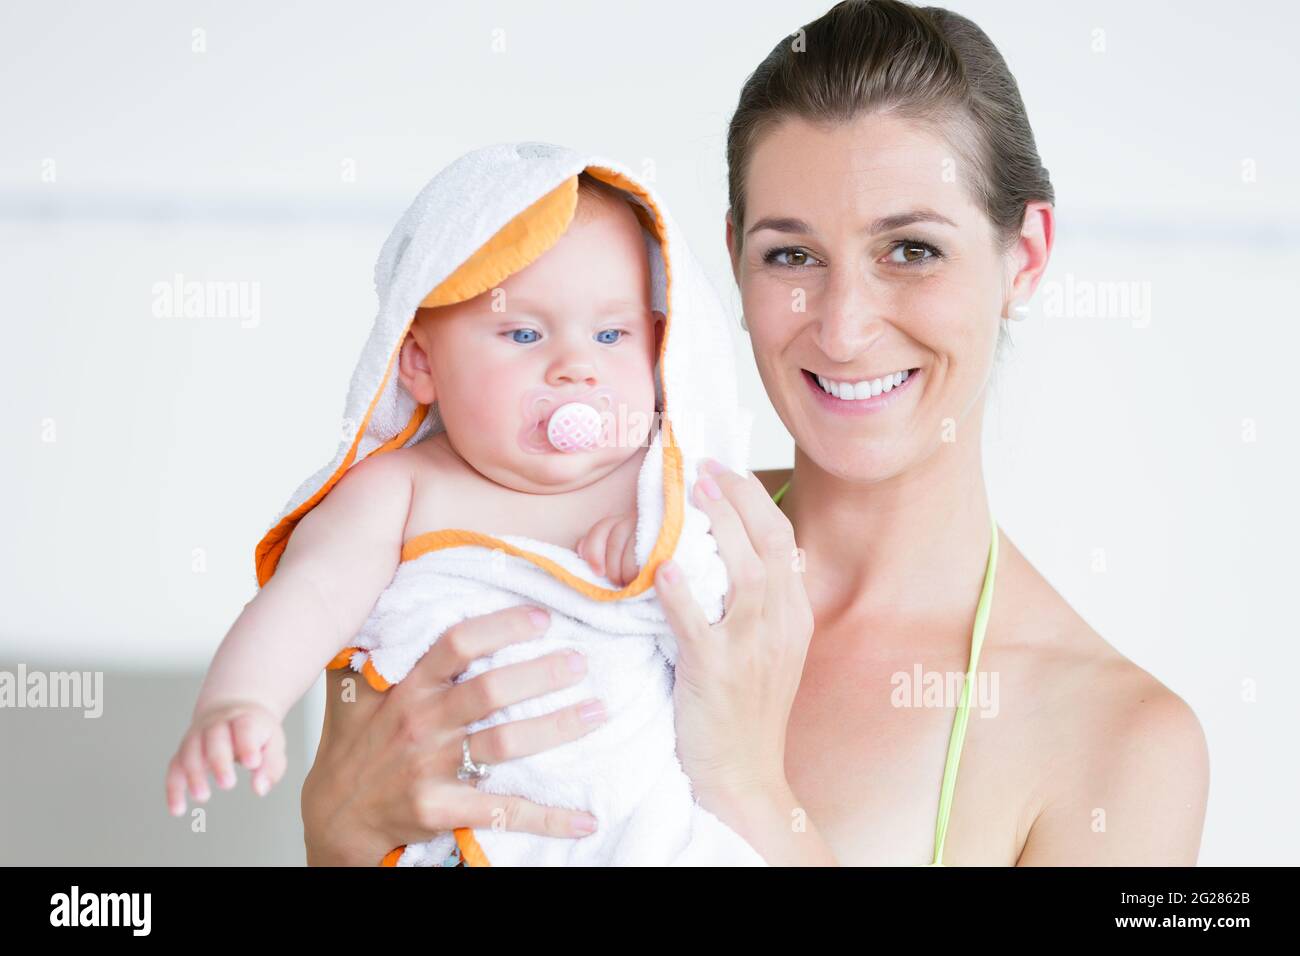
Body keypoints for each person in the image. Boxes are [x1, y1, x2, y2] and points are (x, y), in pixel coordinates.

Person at [298, 0, 1208, 866]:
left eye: (913, 250)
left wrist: (747, 782)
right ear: (730, 262)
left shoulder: (1123, 744)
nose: (844, 327)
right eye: (792, 255)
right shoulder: (560, 531)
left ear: (1028, 257)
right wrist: (335, 834)